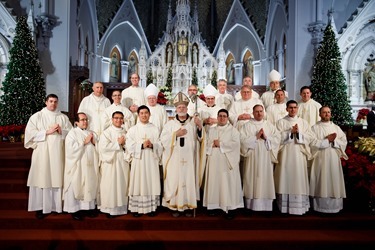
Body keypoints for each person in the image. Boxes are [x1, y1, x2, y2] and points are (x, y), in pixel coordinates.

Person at [25, 94, 72, 219]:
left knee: (57, 177)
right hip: (42, 153)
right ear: (46, 102)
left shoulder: (63, 118)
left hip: (58, 153)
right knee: (42, 177)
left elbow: (72, 134)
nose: (53, 104)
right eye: (51, 101)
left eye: (55, 102)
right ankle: (41, 207)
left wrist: (62, 131)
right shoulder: (37, 116)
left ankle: (56, 207)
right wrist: (47, 132)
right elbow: (30, 134)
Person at [160, 92, 205, 217]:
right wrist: (175, 135)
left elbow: (201, 139)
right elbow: (163, 140)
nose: (181, 109)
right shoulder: (169, 125)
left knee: (189, 180)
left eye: (183, 107)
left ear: (187, 108)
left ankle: (188, 205)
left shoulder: (193, 123)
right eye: (179, 107)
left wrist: (200, 127)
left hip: (190, 159)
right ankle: (175, 206)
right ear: (176, 109)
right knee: (175, 179)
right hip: (174, 159)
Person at [274, 100, 314, 215]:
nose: (293, 110)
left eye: (295, 107)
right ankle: (284, 206)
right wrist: (290, 132)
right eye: (290, 108)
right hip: (285, 155)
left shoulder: (303, 123)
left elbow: (310, 137)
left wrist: (299, 133)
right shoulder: (280, 122)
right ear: (286, 109)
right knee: (284, 177)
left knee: (298, 177)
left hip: (299, 155)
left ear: (298, 109)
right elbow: (276, 138)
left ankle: (299, 207)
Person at [203, 109, 244, 219]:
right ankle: (214, 206)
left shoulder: (233, 131)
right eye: (220, 116)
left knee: (228, 184)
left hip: (227, 162)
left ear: (227, 118)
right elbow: (205, 144)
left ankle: (230, 207)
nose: (222, 118)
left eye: (224, 116)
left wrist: (220, 144)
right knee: (214, 183)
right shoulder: (211, 130)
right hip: (213, 162)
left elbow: (236, 145)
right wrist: (211, 145)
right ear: (217, 117)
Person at [239, 105, 280, 212]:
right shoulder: (246, 126)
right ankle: (250, 206)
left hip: (266, 157)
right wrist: (255, 137)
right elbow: (242, 141)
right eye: (256, 111)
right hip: (252, 157)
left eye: (261, 111)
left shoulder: (269, 125)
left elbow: (277, 139)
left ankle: (266, 207)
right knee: (251, 178)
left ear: (264, 112)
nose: (259, 113)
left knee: (265, 178)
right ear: (253, 112)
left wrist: (266, 138)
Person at [126, 105, 163, 217]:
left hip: (151, 160)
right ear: (138, 114)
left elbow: (160, 144)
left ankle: (151, 208)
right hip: (139, 161)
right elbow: (128, 145)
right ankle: (137, 208)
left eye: (146, 113)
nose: (144, 115)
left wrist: (153, 145)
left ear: (149, 114)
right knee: (138, 182)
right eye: (141, 113)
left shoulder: (155, 128)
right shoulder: (133, 129)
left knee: (151, 181)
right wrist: (141, 145)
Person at [309, 106, 347, 213]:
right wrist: (326, 141)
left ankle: (334, 207)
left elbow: (343, 142)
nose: (326, 114)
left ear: (331, 114)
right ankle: (320, 207)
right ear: (319, 114)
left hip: (333, 159)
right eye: (324, 112)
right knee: (321, 179)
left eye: (328, 112)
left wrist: (334, 141)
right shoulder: (314, 128)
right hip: (320, 159)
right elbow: (312, 143)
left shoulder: (336, 128)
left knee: (333, 180)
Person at [63, 112, 99, 220]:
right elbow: (70, 150)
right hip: (78, 166)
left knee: (89, 184)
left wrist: (94, 142)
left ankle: (89, 208)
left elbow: (99, 147)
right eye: (82, 120)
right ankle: (75, 209)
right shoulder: (72, 133)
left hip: (90, 165)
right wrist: (84, 142)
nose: (85, 122)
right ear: (76, 123)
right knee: (77, 184)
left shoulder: (92, 133)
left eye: (86, 119)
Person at [98, 111, 130, 218]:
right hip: (110, 163)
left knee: (122, 183)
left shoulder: (126, 132)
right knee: (110, 184)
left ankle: (121, 208)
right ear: (112, 120)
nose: (118, 120)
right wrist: (117, 144)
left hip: (122, 161)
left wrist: (125, 145)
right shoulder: (106, 132)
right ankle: (110, 209)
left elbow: (130, 147)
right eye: (116, 118)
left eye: (121, 118)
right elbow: (103, 147)